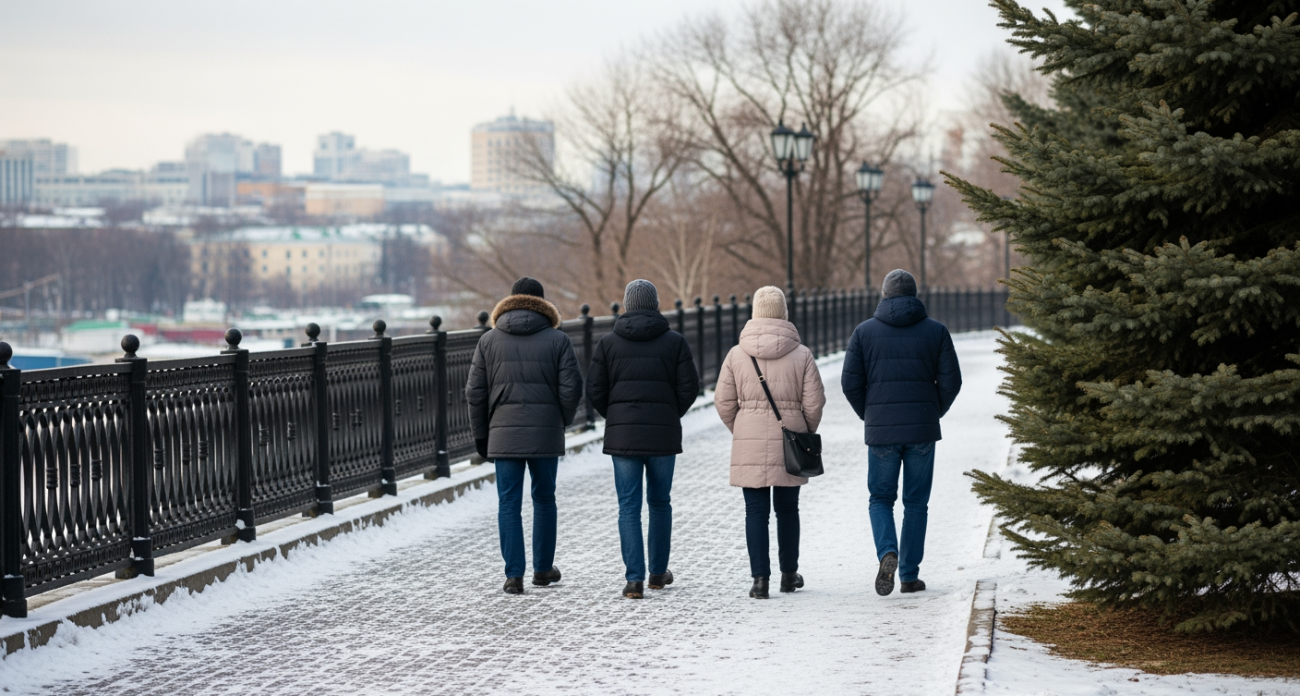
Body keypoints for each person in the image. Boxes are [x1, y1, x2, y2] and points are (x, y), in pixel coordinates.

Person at [841, 269, 961, 596]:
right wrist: (933, 411)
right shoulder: (936, 332)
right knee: (916, 503)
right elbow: (953, 382)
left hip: (882, 432)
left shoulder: (864, 333)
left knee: (880, 498)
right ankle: (908, 575)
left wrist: (871, 415)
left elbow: (850, 384)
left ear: (883, 295)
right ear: (915, 295)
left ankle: (886, 552)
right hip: (922, 428)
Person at [466, 277, 583, 595]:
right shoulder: (557, 340)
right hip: (545, 432)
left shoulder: (488, 341)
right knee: (544, 499)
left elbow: (475, 392)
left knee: (508, 503)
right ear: (544, 305)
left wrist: (482, 435)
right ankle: (543, 570)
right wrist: (559, 419)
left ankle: (514, 575)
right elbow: (572, 387)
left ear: (511, 301)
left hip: (503, 434)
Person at [585, 279, 699, 599]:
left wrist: (618, 417)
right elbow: (690, 387)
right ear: (655, 304)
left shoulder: (608, 343)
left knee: (628, 506)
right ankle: (657, 574)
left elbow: (594, 389)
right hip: (662, 435)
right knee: (660, 503)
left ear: (626, 305)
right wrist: (669, 413)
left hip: (624, 435)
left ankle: (633, 579)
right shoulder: (674, 342)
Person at [715, 285, 826, 599]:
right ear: (784, 313)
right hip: (789, 436)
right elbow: (815, 404)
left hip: (748, 436)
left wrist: (741, 429)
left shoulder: (737, 354)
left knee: (755, 512)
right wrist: (802, 432)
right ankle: (789, 574)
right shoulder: (802, 354)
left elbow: (723, 402)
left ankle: (759, 581)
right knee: (788, 510)